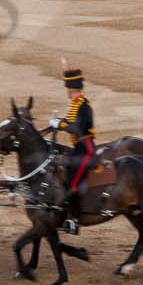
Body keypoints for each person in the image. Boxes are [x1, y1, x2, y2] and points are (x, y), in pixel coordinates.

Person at [53, 66, 96, 234]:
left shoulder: (83, 105)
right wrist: (58, 122)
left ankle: (74, 220)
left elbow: (77, 128)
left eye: (66, 87)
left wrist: (61, 125)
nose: (66, 90)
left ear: (70, 88)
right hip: (78, 147)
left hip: (85, 149)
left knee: (73, 182)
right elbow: (70, 121)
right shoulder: (76, 104)